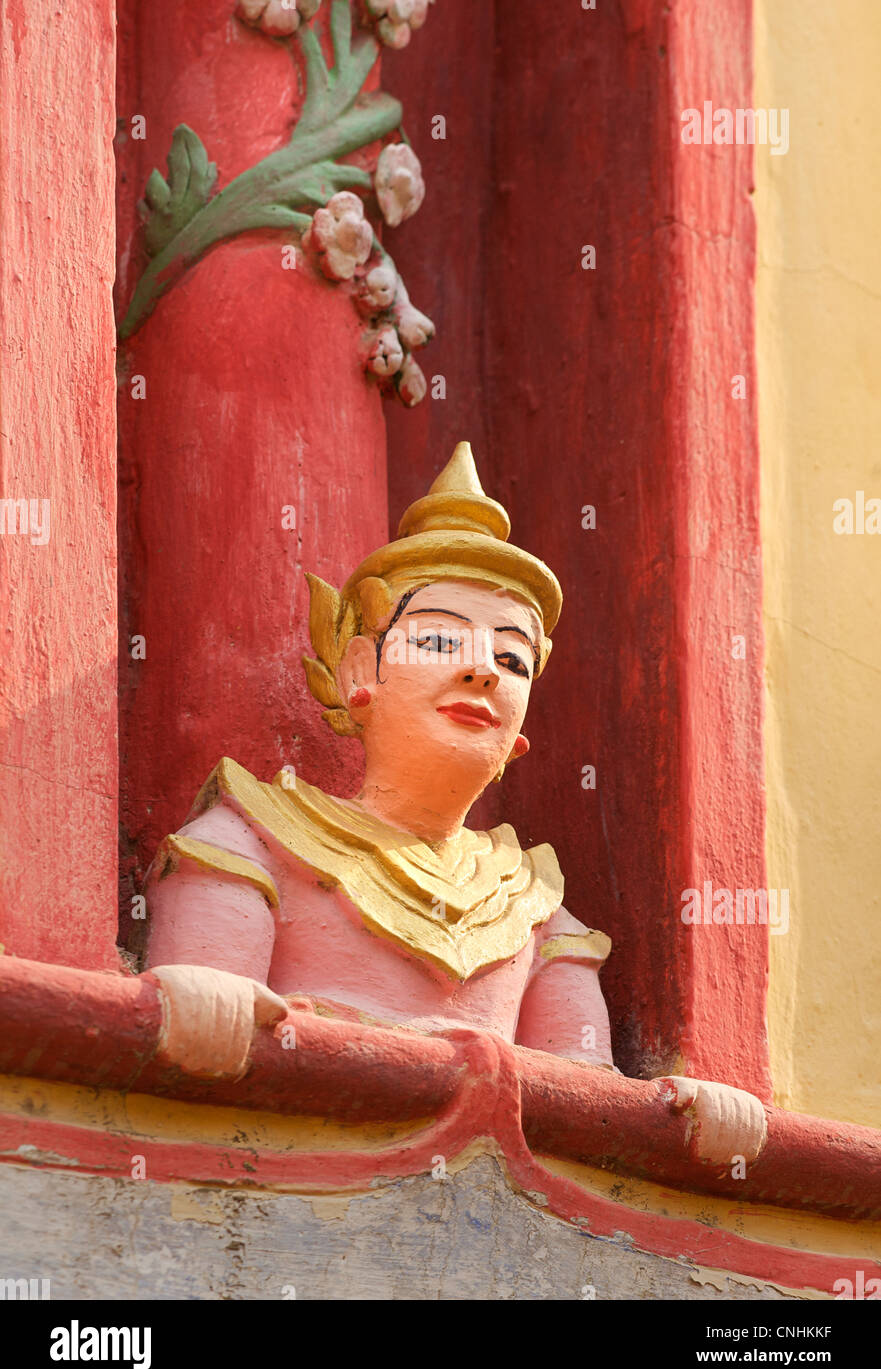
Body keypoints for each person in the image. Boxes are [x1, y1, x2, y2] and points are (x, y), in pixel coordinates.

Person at [143, 443, 767, 1171]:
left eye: (511, 660)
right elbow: (204, 1011)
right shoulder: (249, 839)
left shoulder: (531, 903)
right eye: (438, 639)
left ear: (521, 727)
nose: (480, 670)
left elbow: (583, 1090)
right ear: (356, 673)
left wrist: (678, 1111)